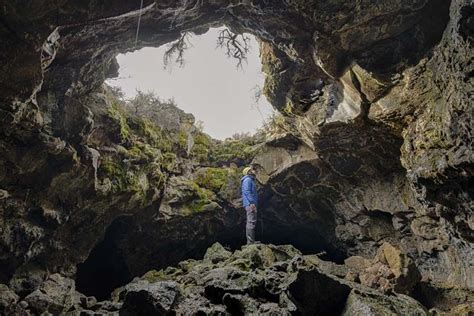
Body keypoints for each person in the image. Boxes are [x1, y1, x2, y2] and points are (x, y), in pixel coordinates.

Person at [241, 166, 258, 244]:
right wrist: (252, 202)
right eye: (252, 170)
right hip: (250, 204)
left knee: (252, 221)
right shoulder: (247, 180)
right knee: (251, 221)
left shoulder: (250, 180)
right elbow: (247, 191)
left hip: (250, 203)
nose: (254, 170)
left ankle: (251, 241)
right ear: (249, 172)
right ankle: (250, 242)